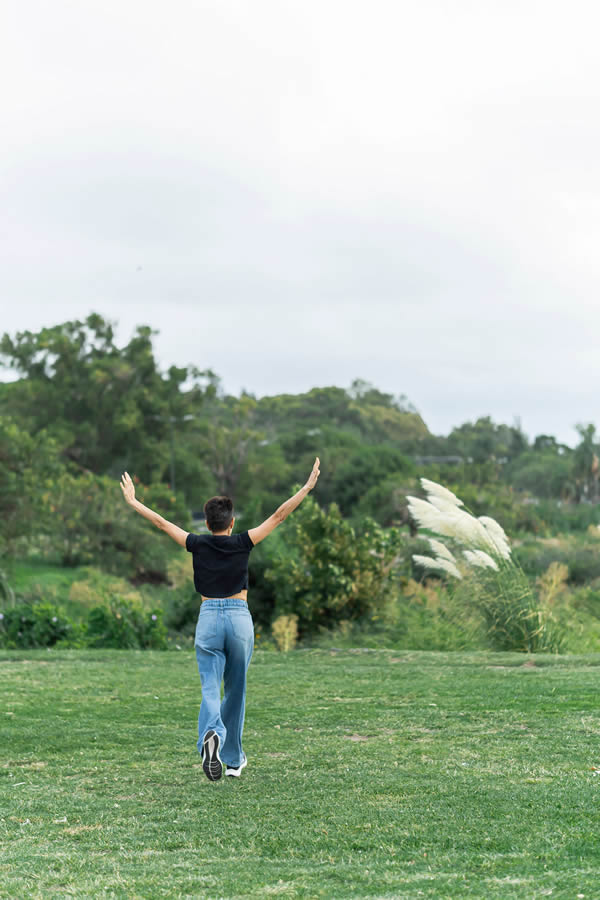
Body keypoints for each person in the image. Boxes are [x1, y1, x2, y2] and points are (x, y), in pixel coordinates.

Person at [119, 457, 320, 782]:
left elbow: (162, 523)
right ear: (231, 522)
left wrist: (134, 501)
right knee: (236, 690)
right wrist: (307, 487)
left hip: (209, 619)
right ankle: (233, 760)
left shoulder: (196, 543)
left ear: (207, 523)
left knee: (210, 688)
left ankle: (211, 736)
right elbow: (279, 515)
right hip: (239, 620)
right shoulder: (243, 541)